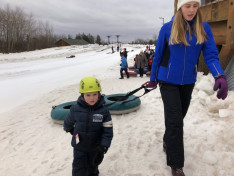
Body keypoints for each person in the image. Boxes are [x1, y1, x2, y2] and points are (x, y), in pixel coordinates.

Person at [145, 0, 228, 175]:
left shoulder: (203, 28)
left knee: (177, 118)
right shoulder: (168, 28)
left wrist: (219, 75)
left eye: (195, 6)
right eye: (187, 6)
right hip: (167, 81)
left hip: (188, 82)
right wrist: (153, 78)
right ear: (180, 7)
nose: (191, 10)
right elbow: (158, 54)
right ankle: (177, 165)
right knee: (175, 121)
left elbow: (211, 55)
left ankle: (168, 140)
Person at [63, 77, 113, 176]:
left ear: (99, 94)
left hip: (95, 146)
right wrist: (69, 128)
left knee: (93, 165)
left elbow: (108, 131)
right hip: (79, 146)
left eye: (95, 94)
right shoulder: (75, 109)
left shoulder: (104, 112)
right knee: (79, 167)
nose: (92, 98)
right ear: (82, 95)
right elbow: (68, 121)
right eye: (88, 95)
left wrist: (104, 146)